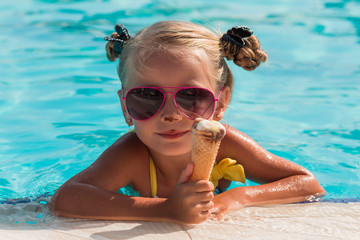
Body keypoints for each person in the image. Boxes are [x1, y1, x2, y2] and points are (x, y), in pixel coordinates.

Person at [50, 21, 325, 224]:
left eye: (192, 96)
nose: (171, 114)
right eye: (146, 97)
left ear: (221, 104)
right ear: (125, 107)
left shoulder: (226, 144)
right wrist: (164, 210)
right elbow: (66, 199)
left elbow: (307, 183)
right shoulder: (132, 154)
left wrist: (236, 198)